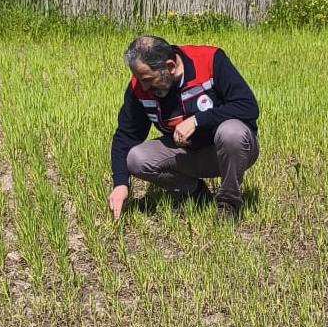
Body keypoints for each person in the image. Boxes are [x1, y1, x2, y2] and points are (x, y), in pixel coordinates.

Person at [108, 35, 260, 220]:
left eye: (148, 79)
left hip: (232, 150)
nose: (143, 86)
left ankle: (229, 203)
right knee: (136, 159)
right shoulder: (140, 87)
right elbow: (126, 136)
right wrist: (121, 183)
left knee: (231, 132)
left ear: (170, 67)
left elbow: (247, 106)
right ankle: (196, 193)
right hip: (187, 153)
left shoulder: (210, 60)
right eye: (139, 79)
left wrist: (197, 120)